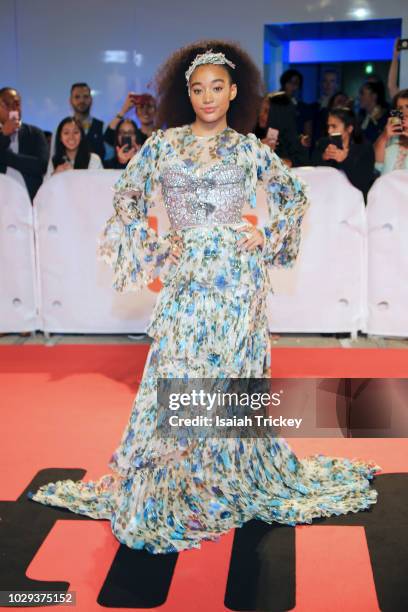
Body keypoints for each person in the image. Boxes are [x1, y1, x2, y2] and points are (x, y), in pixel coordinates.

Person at [28, 40, 380, 554]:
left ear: (233, 92)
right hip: (187, 280)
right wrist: (155, 244)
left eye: (217, 87)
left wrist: (269, 234)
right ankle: (181, 476)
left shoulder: (247, 148)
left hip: (240, 283)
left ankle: (228, 471)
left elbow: (294, 195)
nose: (208, 97)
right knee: (177, 373)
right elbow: (126, 196)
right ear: (187, 94)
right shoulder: (164, 146)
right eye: (198, 89)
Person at [312, 106, 375, 200]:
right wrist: (324, 158)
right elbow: (313, 172)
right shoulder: (323, 143)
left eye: (334, 126)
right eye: (328, 126)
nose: (329, 131)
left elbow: (362, 181)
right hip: (327, 198)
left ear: (349, 128)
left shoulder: (365, 148)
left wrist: (345, 160)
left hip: (354, 200)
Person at [0, 87, 49, 200]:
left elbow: (41, 166)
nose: (13, 107)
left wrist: (4, 156)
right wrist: (4, 135)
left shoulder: (35, 133)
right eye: (6, 103)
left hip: (29, 201)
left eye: (16, 103)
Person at [374, 89, 408, 174]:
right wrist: (384, 136)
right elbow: (378, 165)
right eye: (400, 108)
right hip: (386, 184)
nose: (404, 112)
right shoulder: (393, 135)